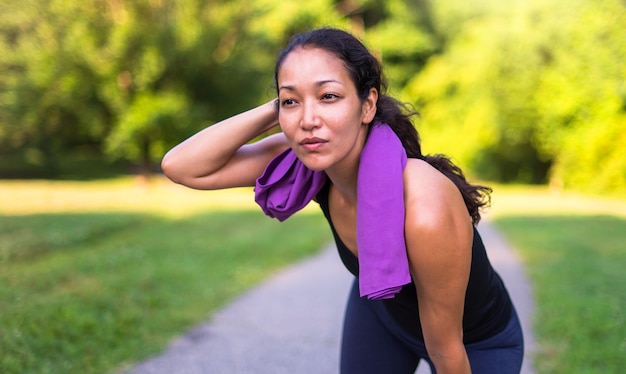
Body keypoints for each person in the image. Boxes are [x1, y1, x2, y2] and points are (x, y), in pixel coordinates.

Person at [161, 27, 524, 374]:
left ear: (367, 106)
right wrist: (281, 108)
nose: (308, 120)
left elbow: (446, 349)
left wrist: (296, 98)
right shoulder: (308, 158)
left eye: (328, 96)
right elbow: (183, 167)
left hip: (472, 342)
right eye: (291, 102)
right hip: (382, 309)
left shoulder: (424, 205)